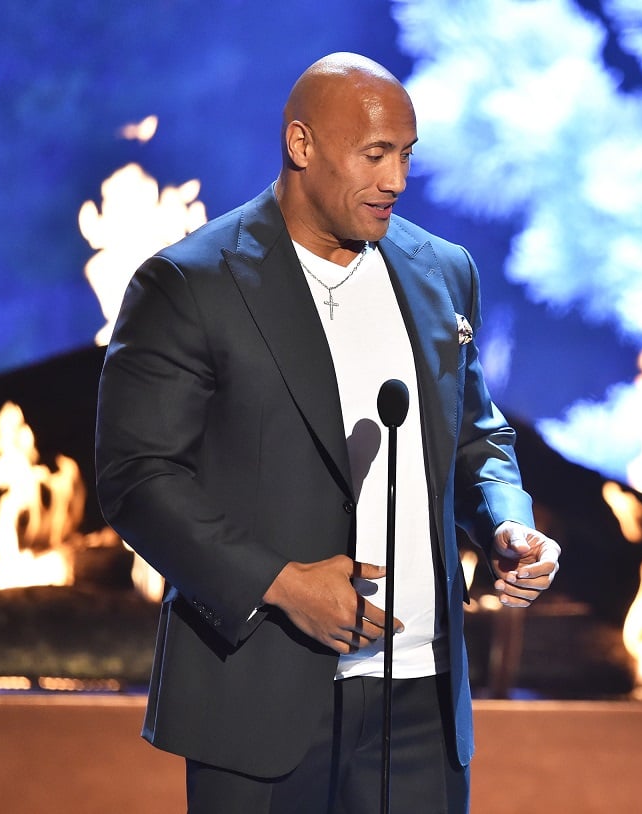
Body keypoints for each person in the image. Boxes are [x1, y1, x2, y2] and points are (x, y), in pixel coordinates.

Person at [95, 52, 561, 813]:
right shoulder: (191, 283)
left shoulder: (443, 272)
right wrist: (281, 585)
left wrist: (507, 522)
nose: (396, 181)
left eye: (406, 156)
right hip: (262, 699)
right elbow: (138, 479)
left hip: (419, 699)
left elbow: (477, 438)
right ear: (301, 145)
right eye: (374, 155)